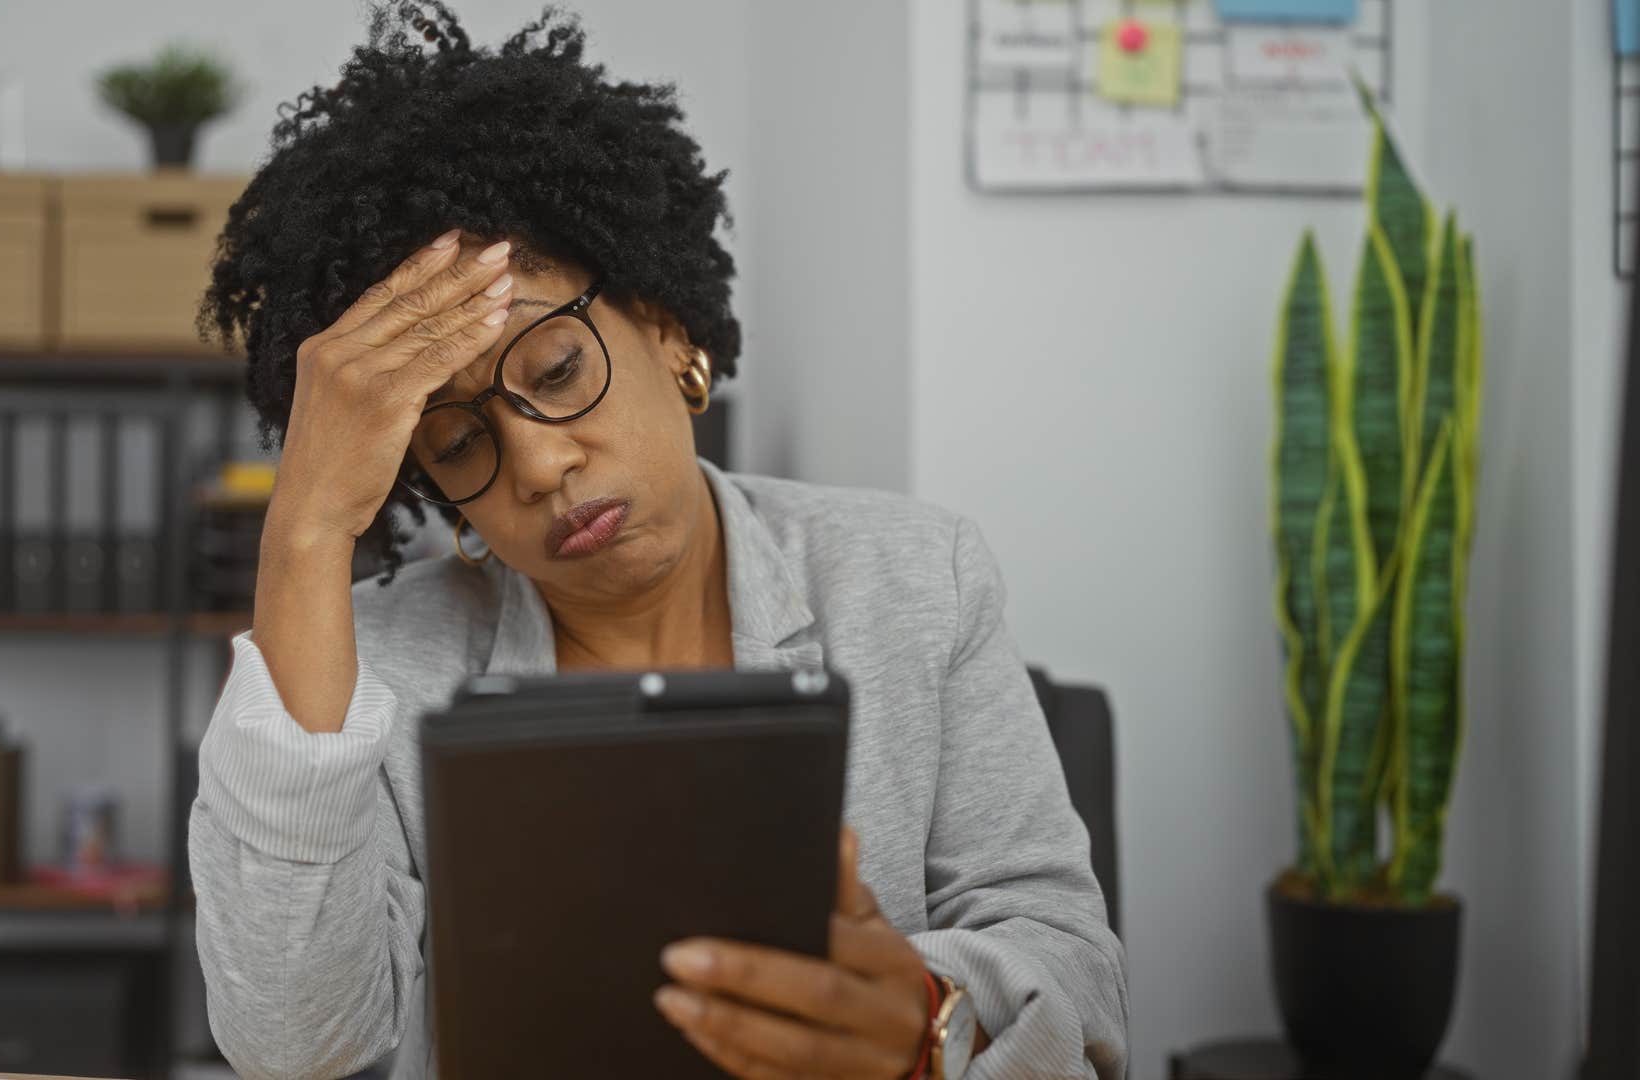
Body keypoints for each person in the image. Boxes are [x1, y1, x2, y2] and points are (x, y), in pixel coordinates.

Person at [189, 4, 1128, 1078]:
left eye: (554, 372)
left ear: (666, 327)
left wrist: (924, 1021)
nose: (539, 467)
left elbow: (1081, 979)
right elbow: (295, 1050)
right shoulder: (372, 671)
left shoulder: (916, 577)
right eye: (455, 444)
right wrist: (305, 531)